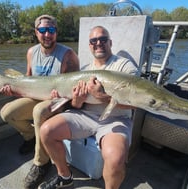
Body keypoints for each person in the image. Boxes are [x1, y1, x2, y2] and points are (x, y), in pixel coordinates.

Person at [38, 26, 138, 189]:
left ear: (110, 42)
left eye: (103, 39)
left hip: (114, 119)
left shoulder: (124, 66)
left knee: (115, 159)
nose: (98, 43)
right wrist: (78, 100)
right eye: (94, 40)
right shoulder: (83, 71)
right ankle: (65, 176)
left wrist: (102, 96)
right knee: (46, 131)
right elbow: (77, 106)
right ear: (90, 45)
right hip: (85, 116)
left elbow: (135, 103)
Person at [0, 14, 80, 189]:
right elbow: (27, 81)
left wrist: (62, 95)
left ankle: (41, 163)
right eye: (43, 30)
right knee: (6, 113)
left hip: (59, 101)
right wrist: (13, 89)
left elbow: (74, 91)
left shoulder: (68, 54)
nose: (47, 34)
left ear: (56, 32)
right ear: (36, 32)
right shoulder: (31, 52)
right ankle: (30, 137)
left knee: (39, 112)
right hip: (36, 96)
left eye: (51, 30)